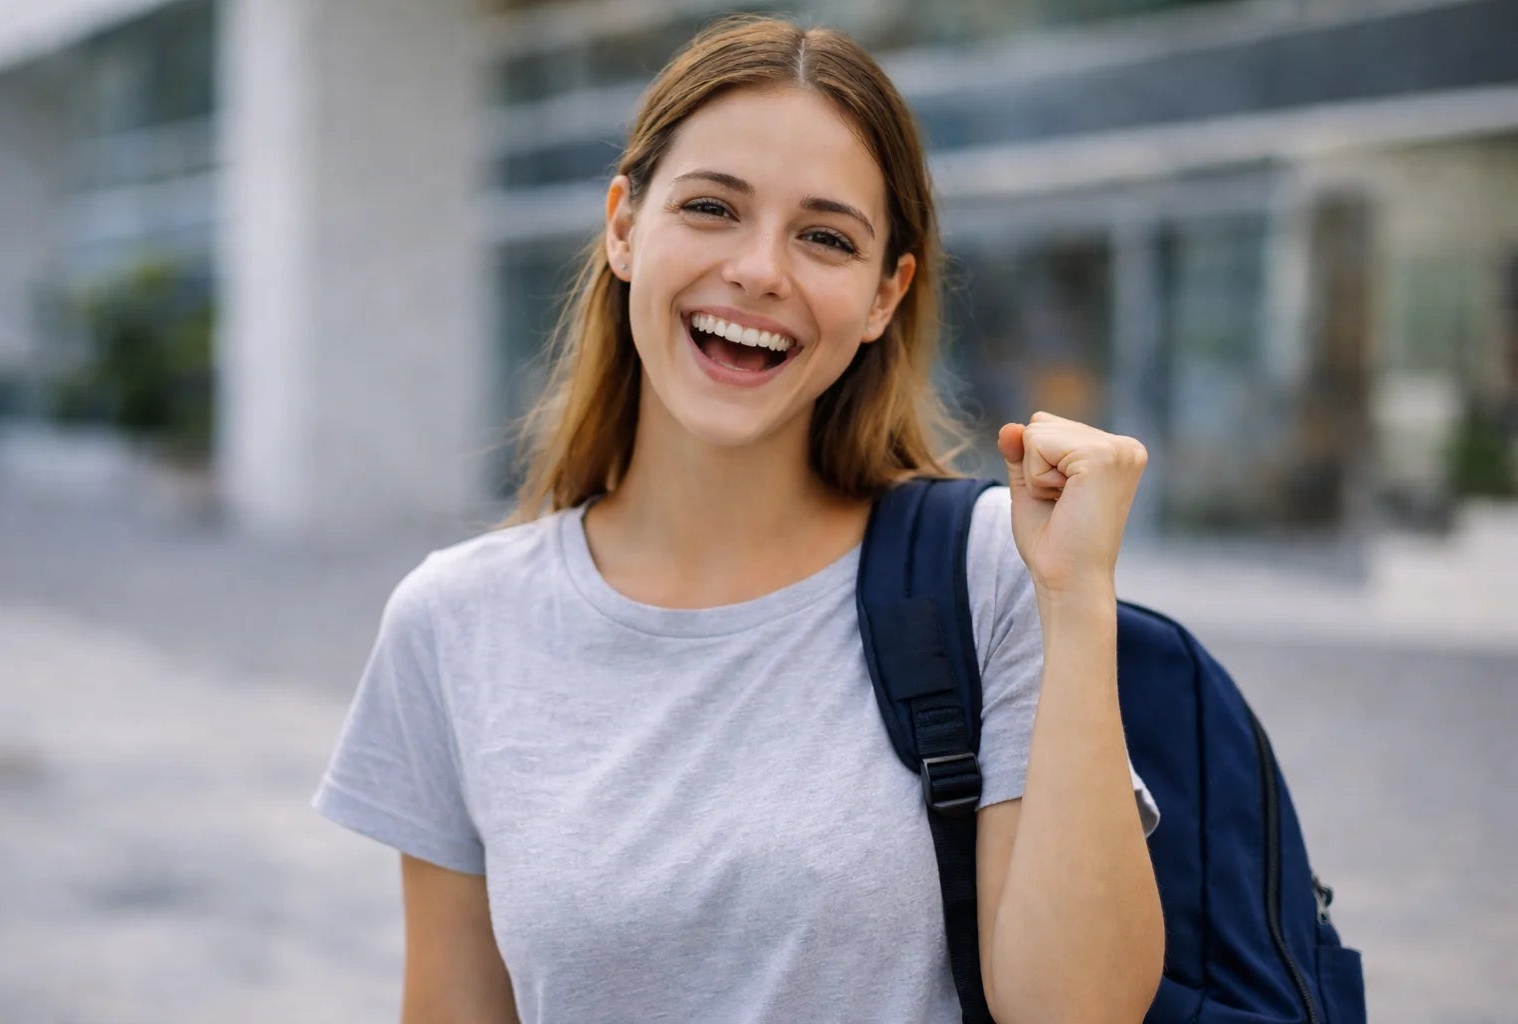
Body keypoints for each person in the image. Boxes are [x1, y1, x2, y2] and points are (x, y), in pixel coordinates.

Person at [314, 14, 1164, 1023]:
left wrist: (1079, 600)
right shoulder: (454, 621)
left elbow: (1080, 1012)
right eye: (713, 207)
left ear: (884, 295)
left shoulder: (990, 572)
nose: (761, 269)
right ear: (624, 227)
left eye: (825, 237)